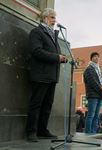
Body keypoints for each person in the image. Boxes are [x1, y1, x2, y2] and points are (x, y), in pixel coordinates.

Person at [26, 8, 66, 142]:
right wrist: (57, 57)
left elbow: (53, 54)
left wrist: (62, 58)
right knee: (36, 104)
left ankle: (42, 130)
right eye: (52, 17)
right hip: (40, 75)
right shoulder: (37, 32)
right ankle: (31, 131)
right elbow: (37, 51)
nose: (55, 20)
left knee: (47, 105)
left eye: (55, 18)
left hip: (52, 76)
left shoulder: (53, 35)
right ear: (44, 18)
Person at [83, 52, 102, 133]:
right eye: (94, 56)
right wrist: (101, 90)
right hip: (92, 95)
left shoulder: (99, 70)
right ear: (91, 58)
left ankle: (93, 132)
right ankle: (88, 132)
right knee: (91, 115)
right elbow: (92, 81)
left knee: (96, 115)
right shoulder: (89, 68)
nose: (97, 58)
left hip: (99, 95)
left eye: (98, 56)